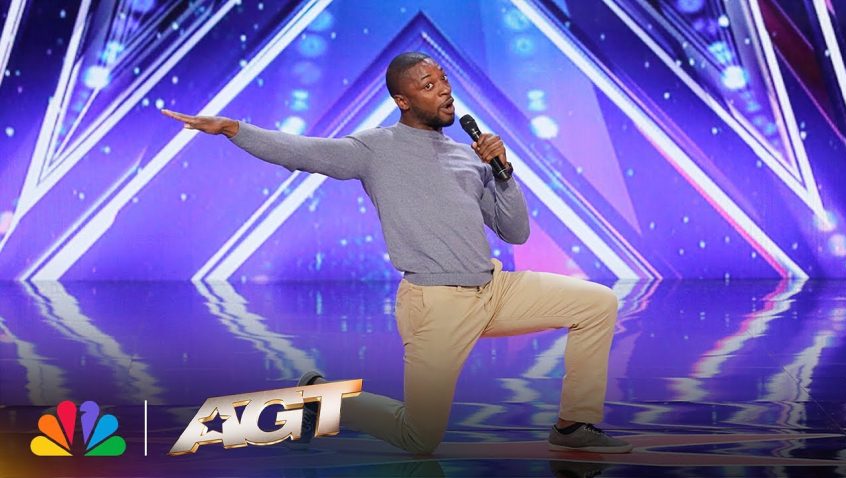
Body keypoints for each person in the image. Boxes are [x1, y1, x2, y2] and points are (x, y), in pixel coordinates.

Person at [161, 51, 632, 455]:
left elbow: (516, 232)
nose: (444, 90)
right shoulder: (375, 148)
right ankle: (319, 398)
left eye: (444, 80)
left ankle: (572, 426)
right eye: (429, 85)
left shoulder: (468, 156)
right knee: (419, 438)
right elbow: (302, 151)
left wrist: (503, 172)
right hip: (437, 304)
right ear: (403, 101)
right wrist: (234, 129)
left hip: (495, 290)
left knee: (597, 303)